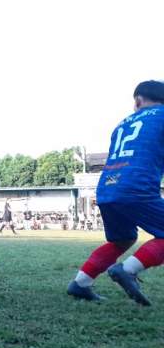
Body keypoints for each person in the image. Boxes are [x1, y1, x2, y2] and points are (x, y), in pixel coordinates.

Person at [67, 80, 164, 305]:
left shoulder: (122, 125)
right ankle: (127, 270)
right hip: (136, 187)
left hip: (107, 188)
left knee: (123, 238)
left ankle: (80, 283)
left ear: (138, 101)